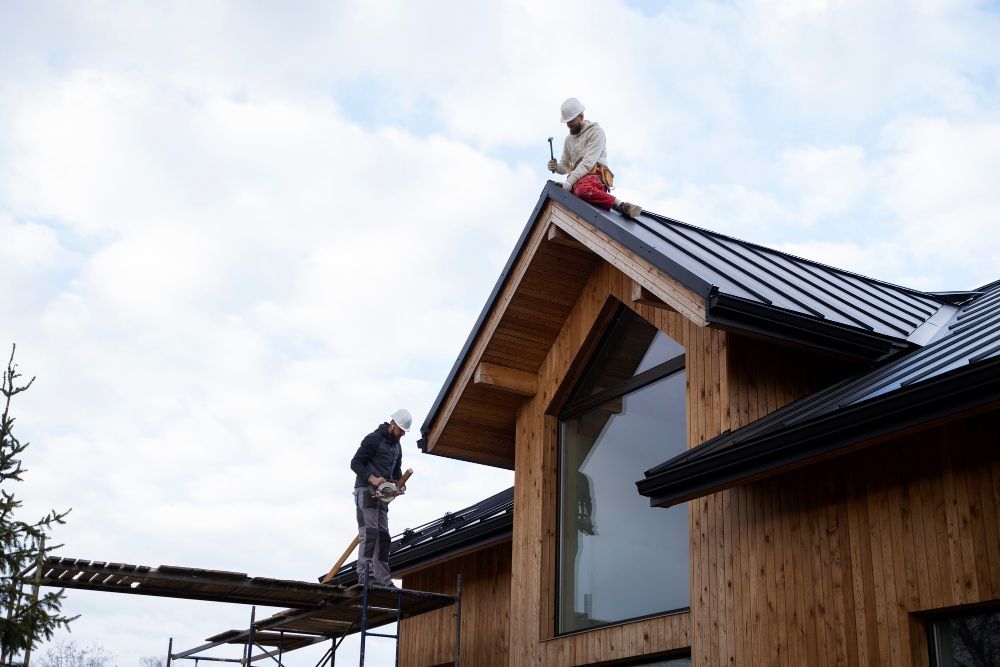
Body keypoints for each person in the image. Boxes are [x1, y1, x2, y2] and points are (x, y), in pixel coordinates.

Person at [548, 97, 643, 219]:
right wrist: (556, 167)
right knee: (561, 192)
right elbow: (566, 166)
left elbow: (588, 163)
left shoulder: (596, 132)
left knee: (582, 191)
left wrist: (570, 181)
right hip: (577, 179)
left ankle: (620, 205)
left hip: (594, 176)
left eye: (571, 121)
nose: (569, 125)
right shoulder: (568, 140)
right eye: (567, 122)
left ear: (581, 116)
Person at [350, 408, 412, 588]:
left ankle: (382, 578)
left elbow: (397, 470)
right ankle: (366, 576)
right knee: (370, 532)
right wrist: (372, 478)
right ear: (392, 425)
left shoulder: (396, 446)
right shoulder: (373, 439)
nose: (402, 434)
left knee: (383, 536)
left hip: (383, 496)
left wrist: (399, 483)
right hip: (366, 491)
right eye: (400, 430)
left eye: (403, 432)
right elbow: (355, 463)